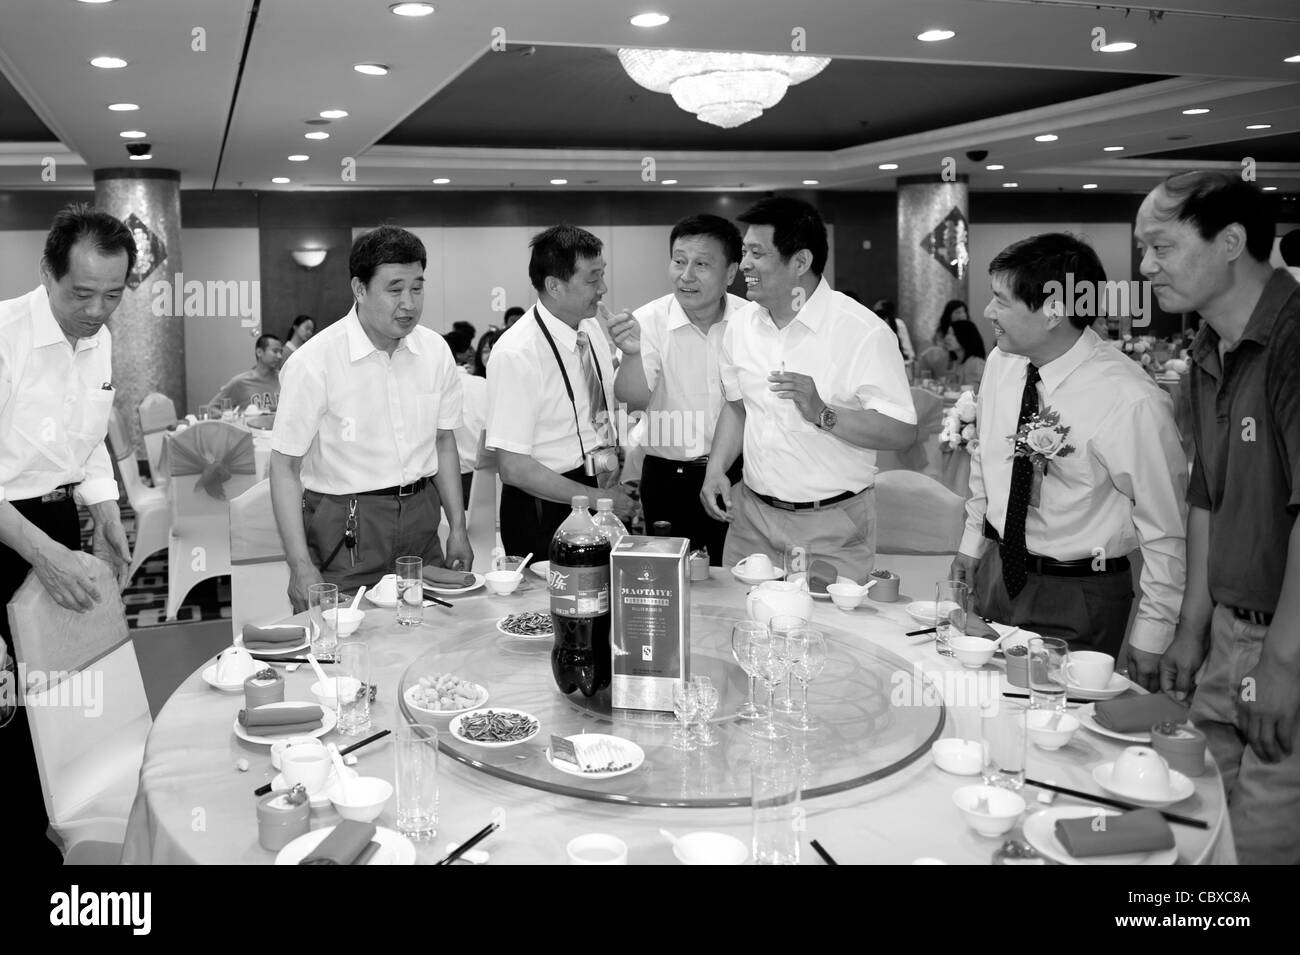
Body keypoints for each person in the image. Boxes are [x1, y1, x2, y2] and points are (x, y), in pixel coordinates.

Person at [1142, 172, 1300, 864]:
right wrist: (1191, 629)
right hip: (1230, 635)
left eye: (1163, 247)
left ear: (1232, 241)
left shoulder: (1293, 341)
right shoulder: (1206, 352)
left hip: (1286, 640)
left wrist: (1284, 663)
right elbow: (1207, 496)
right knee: (1201, 833)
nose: (1146, 267)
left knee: (1262, 845)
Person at [949, 232, 1187, 672]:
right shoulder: (1003, 363)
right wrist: (972, 545)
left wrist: (1154, 634)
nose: (988, 312)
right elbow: (988, 461)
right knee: (986, 710)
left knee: (1058, 723)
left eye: (1000, 300)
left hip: (1079, 594)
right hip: (999, 574)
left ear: (1054, 310)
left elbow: (1165, 530)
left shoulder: (1129, 399)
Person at [0, 203, 136, 865]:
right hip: (7, 528)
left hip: (55, 522)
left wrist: (105, 512)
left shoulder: (100, 339)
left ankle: (50, 831)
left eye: (112, 295)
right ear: (47, 273)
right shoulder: (4, 335)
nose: (96, 310)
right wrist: (45, 555)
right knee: (5, 705)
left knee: (51, 698)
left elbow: (83, 449)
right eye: (81, 293)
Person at [699, 197, 917, 580]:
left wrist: (823, 413)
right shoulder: (741, 325)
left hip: (831, 524)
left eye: (756, 253)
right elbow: (737, 407)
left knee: (829, 635)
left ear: (800, 262)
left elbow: (902, 431)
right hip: (752, 519)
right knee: (739, 627)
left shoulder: (862, 332)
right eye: (744, 251)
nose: (744, 264)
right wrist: (716, 467)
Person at [270, 226, 471, 607]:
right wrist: (299, 564)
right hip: (345, 530)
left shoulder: (435, 352)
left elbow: (444, 442)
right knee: (344, 645)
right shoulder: (314, 362)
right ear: (360, 290)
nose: (409, 303)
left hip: (421, 522)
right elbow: (283, 467)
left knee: (426, 636)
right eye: (394, 290)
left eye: (417, 287)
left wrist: (458, 528)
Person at [485, 225, 637, 557]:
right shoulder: (517, 353)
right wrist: (600, 500)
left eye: (603, 276)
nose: (604, 288)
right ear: (554, 285)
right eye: (592, 279)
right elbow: (514, 468)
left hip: (597, 489)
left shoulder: (592, 329)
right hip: (544, 505)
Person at [607, 214, 748, 565]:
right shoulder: (648, 322)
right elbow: (632, 400)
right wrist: (632, 355)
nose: (686, 276)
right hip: (669, 476)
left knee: (737, 573)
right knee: (672, 579)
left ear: (731, 273)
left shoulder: (752, 322)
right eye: (679, 261)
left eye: (701, 264)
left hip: (740, 473)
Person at [209, 333, 283, 411]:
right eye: (275, 351)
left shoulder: (284, 379)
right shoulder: (240, 382)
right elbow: (212, 408)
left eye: (281, 352)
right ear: (259, 352)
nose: (279, 356)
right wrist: (231, 418)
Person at [916, 299, 967, 381]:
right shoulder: (941, 332)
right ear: (949, 314)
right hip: (942, 366)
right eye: (958, 312)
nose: (962, 315)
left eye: (964, 312)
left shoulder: (969, 330)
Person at [944, 319, 987, 387]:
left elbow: (972, 393)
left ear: (966, 337)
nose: (947, 337)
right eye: (948, 333)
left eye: (953, 334)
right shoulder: (955, 361)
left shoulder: (977, 363)